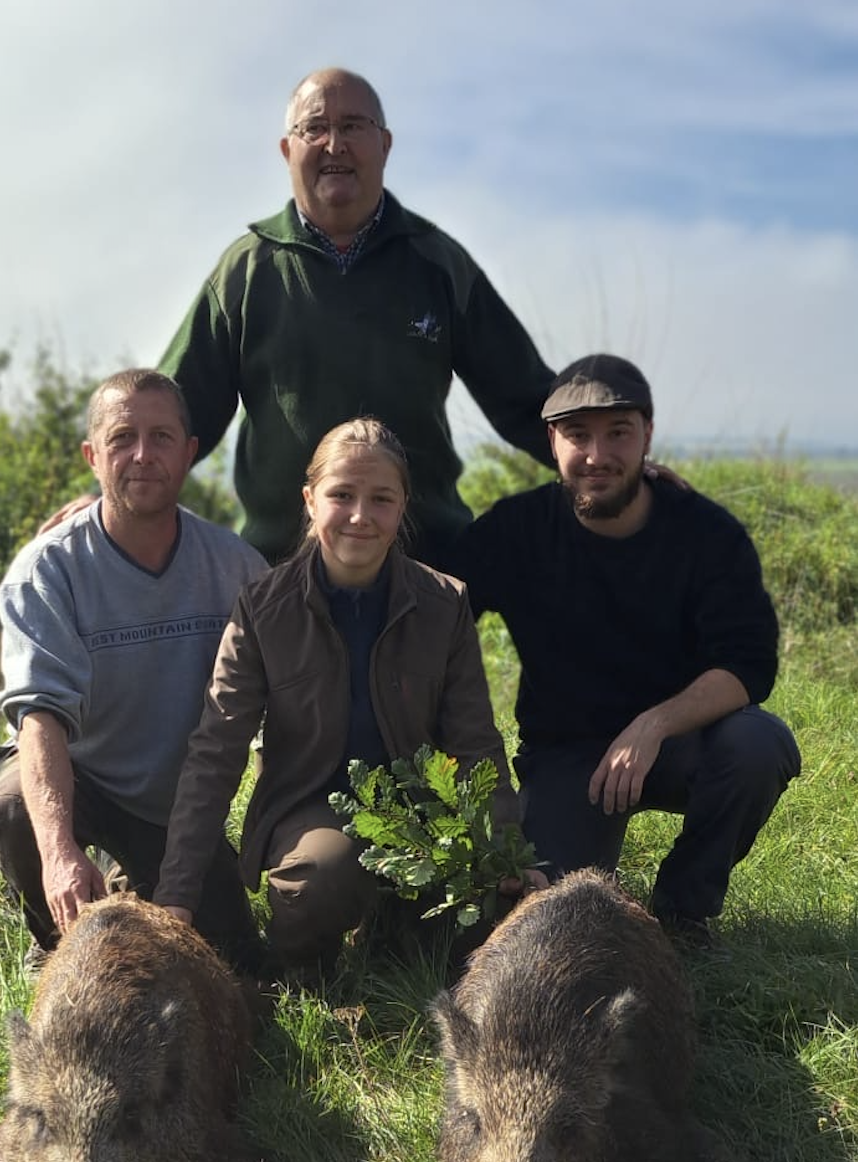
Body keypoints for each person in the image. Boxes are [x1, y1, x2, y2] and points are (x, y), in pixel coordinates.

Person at [44, 66, 557, 570]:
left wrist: (611, 462)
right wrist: (106, 496)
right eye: (315, 128)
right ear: (288, 150)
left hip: (424, 570)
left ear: (386, 145)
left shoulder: (438, 263)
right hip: (282, 576)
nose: (334, 145)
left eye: (353, 126)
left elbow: (526, 396)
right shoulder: (247, 270)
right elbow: (174, 413)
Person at [153, 417, 529, 981]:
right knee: (323, 876)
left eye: (381, 498)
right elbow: (216, 750)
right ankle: (304, 967)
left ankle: (393, 925)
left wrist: (506, 853)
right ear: (309, 500)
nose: (360, 516)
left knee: (481, 933)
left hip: (423, 813)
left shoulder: (444, 604)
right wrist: (176, 895)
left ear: (403, 507)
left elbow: (475, 741)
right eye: (341, 495)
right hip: (310, 809)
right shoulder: (263, 608)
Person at [450, 354, 802, 949]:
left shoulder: (706, 534)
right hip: (568, 755)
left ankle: (683, 911)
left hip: (679, 742)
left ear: (648, 436)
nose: (597, 455)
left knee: (756, 744)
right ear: (552, 441)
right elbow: (438, 609)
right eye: (578, 435)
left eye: (618, 433)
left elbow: (749, 664)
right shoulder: (516, 530)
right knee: (551, 924)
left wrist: (654, 724)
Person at [0, 368, 267, 972]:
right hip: (77, 774)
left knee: (231, 959)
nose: (142, 455)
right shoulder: (47, 570)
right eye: (121, 438)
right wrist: (58, 855)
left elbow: (273, 709)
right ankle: (56, 944)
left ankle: (129, 881)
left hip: (175, 801)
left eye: (162, 437)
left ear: (189, 453)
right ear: (92, 455)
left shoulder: (236, 567)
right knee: (15, 813)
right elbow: (40, 719)